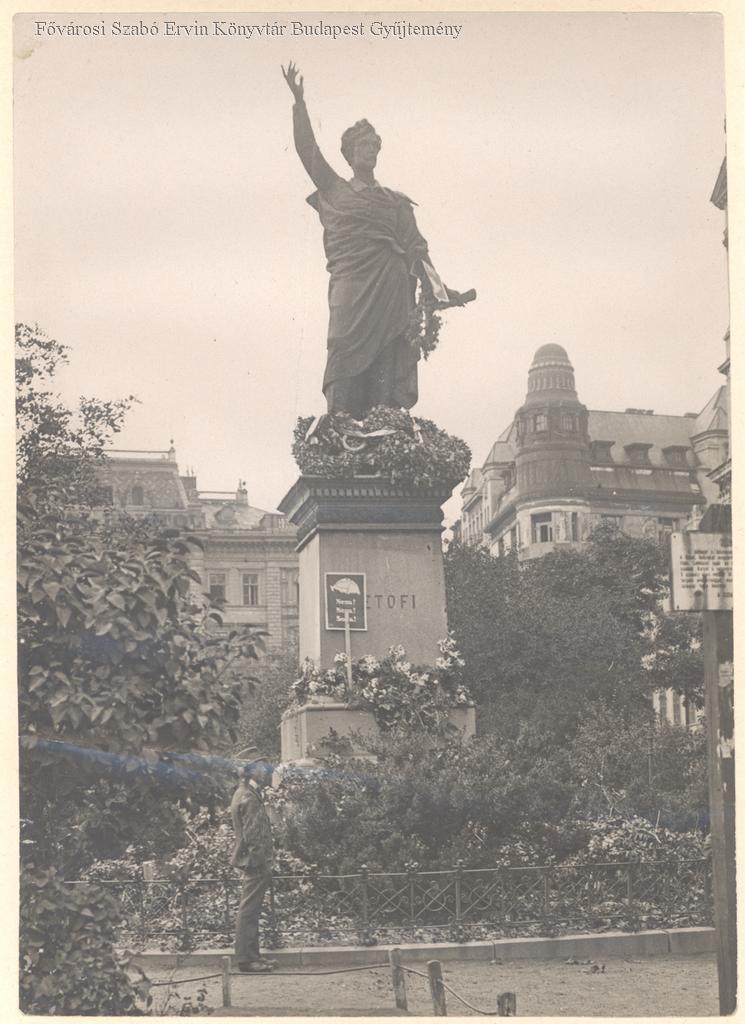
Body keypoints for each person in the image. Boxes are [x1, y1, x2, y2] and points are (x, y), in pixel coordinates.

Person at [282, 61, 471, 420]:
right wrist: (299, 104)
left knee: (386, 361)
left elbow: (418, 250)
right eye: (363, 145)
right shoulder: (335, 189)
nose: (370, 151)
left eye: (374, 146)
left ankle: (384, 428)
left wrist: (441, 291)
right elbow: (308, 151)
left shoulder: (395, 202)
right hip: (351, 288)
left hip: (390, 290)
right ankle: (338, 427)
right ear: (349, 153)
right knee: (342, 350)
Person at [230, 747, 276, 973]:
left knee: (251, 909)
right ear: (250, 770)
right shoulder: (249, 796)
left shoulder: (245, 792)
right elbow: (253, 834)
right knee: (249, 910)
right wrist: (261, 860)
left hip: (253, 860)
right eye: (261, 766)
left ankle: (253, 956)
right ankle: (247, 960)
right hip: (255, 862)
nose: (265, 770)